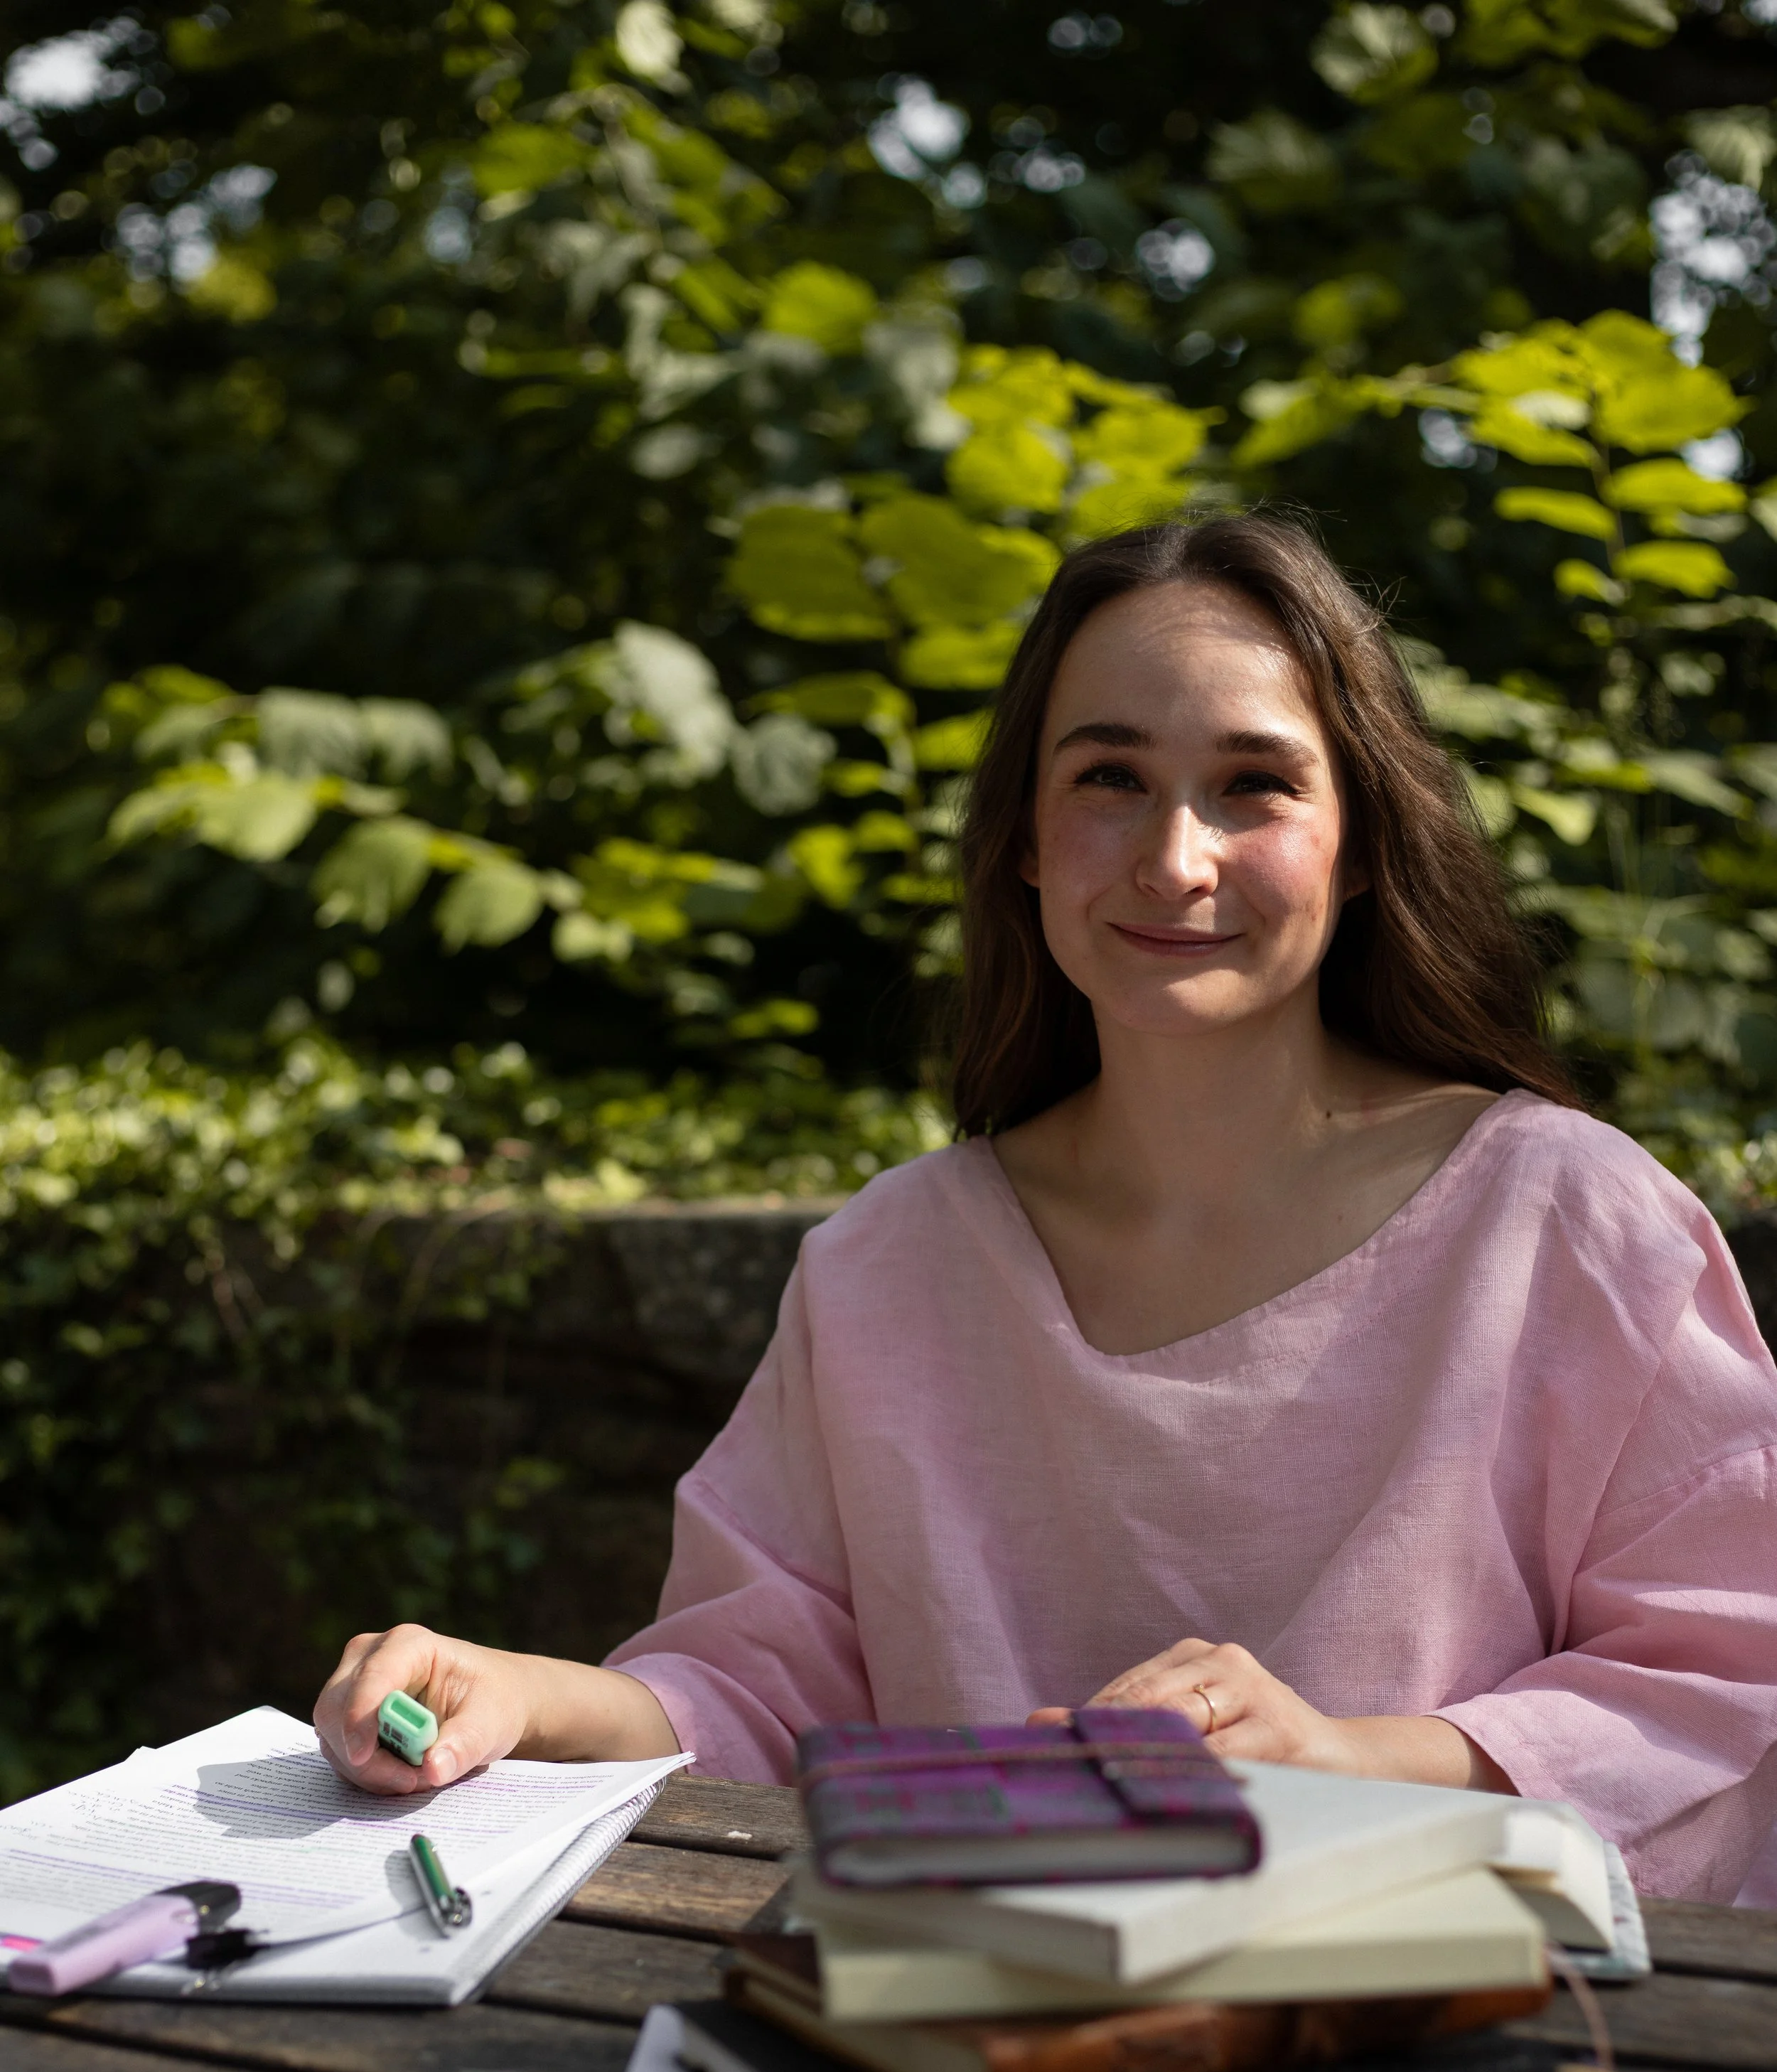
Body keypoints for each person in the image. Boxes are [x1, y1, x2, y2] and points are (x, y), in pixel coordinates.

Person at [315, 513, 1777, 1900]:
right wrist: (521, 1696)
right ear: (1022, 835)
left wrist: (1347, 1764)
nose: (1173, 858)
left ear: (1360, 841)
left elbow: (1721, 1673)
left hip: (1461, 2044)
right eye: (1107, 778)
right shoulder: (884, 1267)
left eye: (1253, 784)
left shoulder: (1573, 1222)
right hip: (970, 2039)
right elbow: (761, 1692)